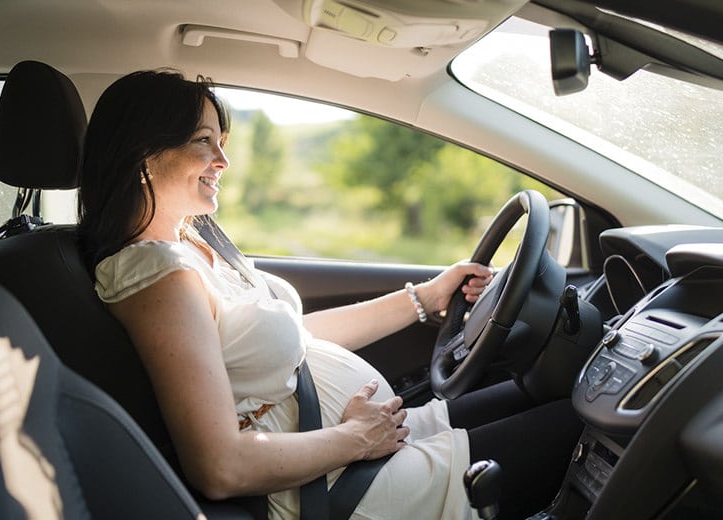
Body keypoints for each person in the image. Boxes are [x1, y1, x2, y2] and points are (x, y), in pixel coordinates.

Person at [78, 70, 579, 520]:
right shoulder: (156, 275)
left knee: (554, 392)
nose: (223, 160)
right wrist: (353, 440)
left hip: (361, 449)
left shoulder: (189, 243)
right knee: (581, 427)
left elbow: (296, 339)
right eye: (203, 141)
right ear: (144, 154)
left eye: (222, 140)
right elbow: (219, 465)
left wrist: (424, 298)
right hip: (343, 489)